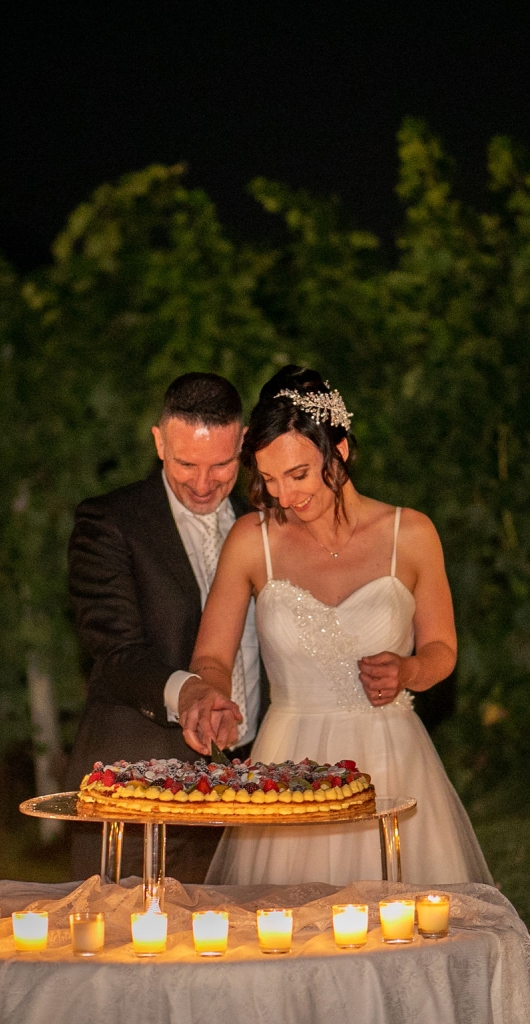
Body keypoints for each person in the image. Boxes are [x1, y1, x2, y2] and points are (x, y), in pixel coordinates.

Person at [184, 365, 492, 886]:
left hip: (389, 759)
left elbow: (442, 649)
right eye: (269, 479)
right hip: (288, 765)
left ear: (339, 450)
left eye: (298, 475)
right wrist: (209, 693)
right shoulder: (251, 539)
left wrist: (408, 671)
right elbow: (212, 655)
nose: (283, 496)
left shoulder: (412, 534)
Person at [65, 372, 261, 881]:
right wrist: (190, 692)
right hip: (137, 791)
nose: (203, 483)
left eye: (221, 465)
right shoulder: (109, 521)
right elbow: (116, 651)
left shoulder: (266, 521)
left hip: (250, 796)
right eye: (186, 464)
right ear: (158, 443)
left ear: (243, 442)